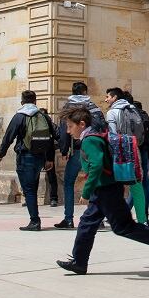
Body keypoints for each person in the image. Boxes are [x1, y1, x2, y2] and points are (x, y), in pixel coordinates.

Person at [55, 107, 149, 275]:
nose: (68, 131)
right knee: (87, 223)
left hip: (107, 190)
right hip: (104, 190)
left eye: (70, 126)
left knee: (123, 227)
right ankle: (79, 262)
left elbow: (97, 165)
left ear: (81, 124)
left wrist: (85, 192)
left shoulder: (89, 140)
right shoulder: (93, 136)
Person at [0, 90, 56, 231]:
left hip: (26, 156)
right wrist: (49, 158)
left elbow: (8, 136)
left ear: (22, 102)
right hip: (40, 157)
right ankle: (34, 219)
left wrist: (1, 153)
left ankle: (35, 221)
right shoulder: (44, 116)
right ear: (35, 101)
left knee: (29, 190)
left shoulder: (19, 116)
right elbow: (52, 137)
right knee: (32, 188)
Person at [55, 82, 105, 229]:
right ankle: (99, 219)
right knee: (96, 183)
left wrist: (64, 151)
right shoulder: (93, 107)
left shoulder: (68, 107)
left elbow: (64, 131)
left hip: (77, 151)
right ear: (85, 91)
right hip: (94, 147)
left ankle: (69, 219)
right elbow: (103, 126)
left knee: (69, 183)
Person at [105, 88, 147, 223]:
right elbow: (140, 131)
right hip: (134, 149)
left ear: (115, 97)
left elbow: (112, 134)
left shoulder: (112, 112)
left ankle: (118, 218)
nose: (106, 99)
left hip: (119, 152)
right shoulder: (133, 109)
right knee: (137, 185)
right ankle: (142, 219)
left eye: (108, 97)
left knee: (116, 185)